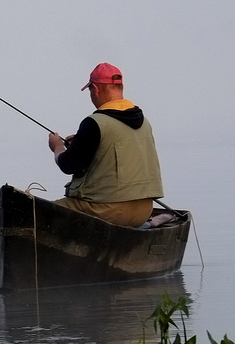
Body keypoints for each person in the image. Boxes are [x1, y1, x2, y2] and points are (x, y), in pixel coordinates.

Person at [46, 63, 164, 227]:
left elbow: (68, 165)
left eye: (90, 90)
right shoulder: (144, 122)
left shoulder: (94, 123)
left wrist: (57, 147)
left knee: (42, 214)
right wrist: (79, 144)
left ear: (95, 88)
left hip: (108, 212)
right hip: (143, 211)